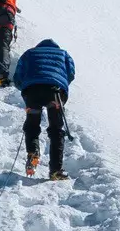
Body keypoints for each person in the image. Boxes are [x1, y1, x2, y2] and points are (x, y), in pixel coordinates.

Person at [12, 39, 75, 180]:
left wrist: (24, 88)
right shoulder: (63, 54)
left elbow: (18, 76)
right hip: (55, 92)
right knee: (56, 129)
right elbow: (70, 73)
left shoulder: (29, 53)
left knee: (32, 123)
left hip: (32, 91)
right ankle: (55, 170)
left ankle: (33, 151)